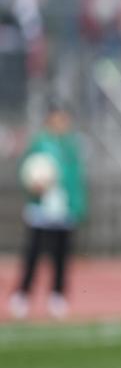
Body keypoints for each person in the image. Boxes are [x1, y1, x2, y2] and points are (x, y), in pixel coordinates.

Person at [9, 107, 86, 320]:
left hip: (64, 210)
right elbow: (25, 169)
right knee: (33, 254)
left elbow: (76, 178)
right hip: (41, 209)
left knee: (61, 256)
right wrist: (33, 186)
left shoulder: (71, 145)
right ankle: (22, 295)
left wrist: (77, 206)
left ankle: (57, 296)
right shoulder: (39, 143)